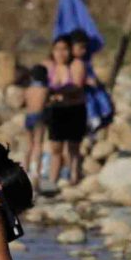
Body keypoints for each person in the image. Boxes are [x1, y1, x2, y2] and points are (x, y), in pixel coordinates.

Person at [41, 36, 89, 188]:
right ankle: (53, 180)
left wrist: (58, 90)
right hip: (56, 110)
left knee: (73, 147)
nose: (61, 53)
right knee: (55, 147)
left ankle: (74, 177)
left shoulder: (76, 65)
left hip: (74, 109)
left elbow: (77, 87)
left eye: (64, 49)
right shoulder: (49, 66)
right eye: (57, 49)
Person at [19, 64, 49, 171]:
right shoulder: (45, 89)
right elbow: (46, 103)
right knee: (38, 144)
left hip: (28, 116)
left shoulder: (28, 89)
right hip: (39, 116)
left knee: (29, 145)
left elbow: (22, 103)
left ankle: (25, 168)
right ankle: (36, 170)